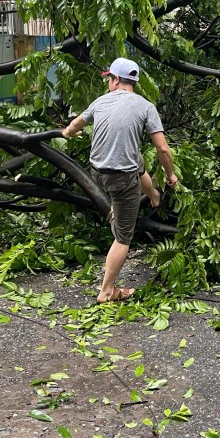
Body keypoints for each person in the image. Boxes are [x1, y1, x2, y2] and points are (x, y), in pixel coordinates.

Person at [61, 58, 178, 304]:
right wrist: (170, 175)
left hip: (96, 172)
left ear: (115, 80)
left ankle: (153, 196)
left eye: (109, 79)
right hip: (120, 179)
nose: (108, 84)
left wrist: (68, 133)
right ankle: (106, 291)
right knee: (124, 236)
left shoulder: (101, 102)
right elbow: (163, 150)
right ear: (133, 82)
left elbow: (74, 125)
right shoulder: (146, 106)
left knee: (135, 157)